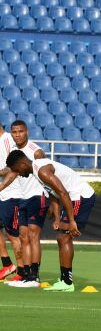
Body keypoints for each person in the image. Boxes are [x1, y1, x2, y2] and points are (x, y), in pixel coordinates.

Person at [5, 150, 94, 291]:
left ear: (22, 164)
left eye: (17, 170)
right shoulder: (36, 172)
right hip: (72, 198)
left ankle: (67, 282)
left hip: (80, 196)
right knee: (61, 238)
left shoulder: (42, 171)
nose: (18, 174)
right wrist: (58, 218)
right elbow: (54, 193)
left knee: (64, 237)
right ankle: (65, 280)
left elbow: (62, 192)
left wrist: (72, 220)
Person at [0, 120, 48, 287]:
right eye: (15, 132)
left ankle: (33, 276)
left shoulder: (36, 151)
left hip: (35, 196)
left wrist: (52, 199)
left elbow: (46, 172)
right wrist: (1, 187)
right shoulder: (15, 150)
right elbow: (13, 172)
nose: (17, 135)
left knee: (32, 236)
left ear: (27, 131)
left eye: (20, 131)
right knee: (23, 236)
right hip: (23, 198)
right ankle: (26, 275)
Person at [0, 122, 24, 280]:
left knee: (13, 235)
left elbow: (14, 166)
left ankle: (22, 272)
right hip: (1, 193)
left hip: (12, 194)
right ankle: (7, 264)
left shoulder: (9, 140)